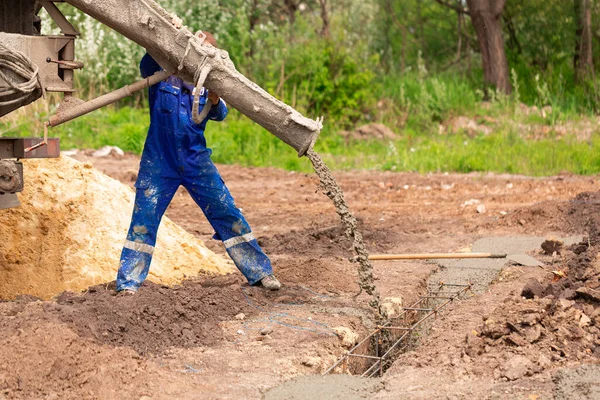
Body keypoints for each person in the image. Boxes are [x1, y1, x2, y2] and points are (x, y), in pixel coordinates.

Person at [116, 31, 281, 293]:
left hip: (196, 160)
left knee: (226, 212)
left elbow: (220, 113)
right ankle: (128, 284)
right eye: (198, 51)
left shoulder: (208, 84)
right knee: (143, 220)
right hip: (159, 161)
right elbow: (146, 61)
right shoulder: (162, 72)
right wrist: (171, 37)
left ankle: (261, 273)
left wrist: (214, 97)